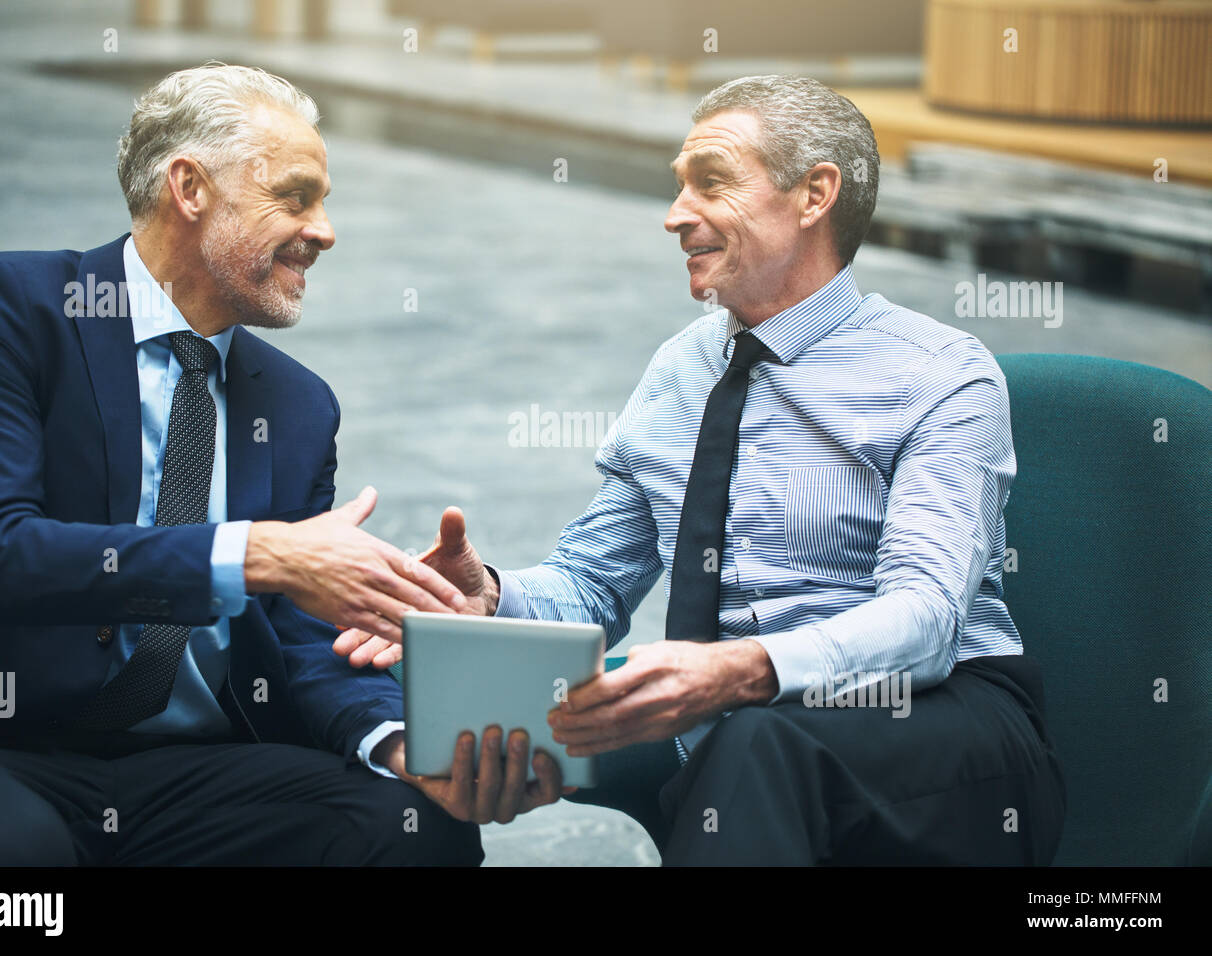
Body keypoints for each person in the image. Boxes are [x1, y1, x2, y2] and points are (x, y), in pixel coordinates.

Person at [338, 75, 1068, 866]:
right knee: (447, 745)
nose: (675, 213)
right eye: (678, 185)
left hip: (944, 725)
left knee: (753, 740)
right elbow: (591, 585)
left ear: (815, 193)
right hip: (754, 740)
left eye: (711, 182)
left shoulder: (940, 373)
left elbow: (925, 623)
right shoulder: (682, 368)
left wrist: (741, 672)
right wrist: (492, 593)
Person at [0, 62, 563, 866]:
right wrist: (259, 555)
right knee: (11, 854)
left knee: (412, 827)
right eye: (295, 197)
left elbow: (297, 637)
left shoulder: (297, 404)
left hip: (188, 770)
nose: (324, 230)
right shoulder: (9, 305)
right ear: (190, 188)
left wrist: (400, 745)